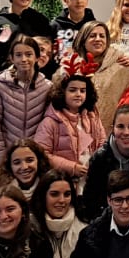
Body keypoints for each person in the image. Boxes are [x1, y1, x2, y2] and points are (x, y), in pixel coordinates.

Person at [0, 33, 53, 168]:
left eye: (29, 54)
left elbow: (49, 129)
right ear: (12, 58)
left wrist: (40, 161)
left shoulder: (48, 87)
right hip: (6, 160)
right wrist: (1, 165)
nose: (24, 59)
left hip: (37, 161)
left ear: (37, 57)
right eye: (19, 55)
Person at [35, 72, 107, 201]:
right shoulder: (50, 122)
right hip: (65, 185)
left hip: (91, 182)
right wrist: (72, 168)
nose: (78, 94)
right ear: (62, 92)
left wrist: (97, 164)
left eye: (82, 91)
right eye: (72, 90)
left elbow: (102, 143)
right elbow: (42, 154)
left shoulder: (93, 117)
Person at [70, 21, 129, 133]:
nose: (98, 39)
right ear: (83, 40)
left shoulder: (124, 69)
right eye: (92, 36)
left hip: (110, 134)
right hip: (74, 133)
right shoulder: (71, 66)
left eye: (102, 36)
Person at [85, 104, 129, 221]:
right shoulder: (99, 159)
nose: (126, 132)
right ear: (113, 129)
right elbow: (91, 200)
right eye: (120, 126)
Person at [48, 0, 97, 68]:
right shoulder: (54, 25)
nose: (79, 1)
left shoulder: (95, 26)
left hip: (87, 71)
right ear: (65, 0)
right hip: (59, 71)